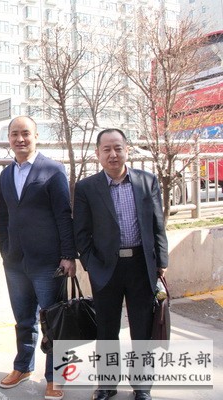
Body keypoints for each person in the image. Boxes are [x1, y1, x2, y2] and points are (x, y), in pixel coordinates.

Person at [73, 128, 168, 400]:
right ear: (98, 154)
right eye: (107, 149)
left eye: (118, 148)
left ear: (127, 149)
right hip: (105, 268)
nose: (113, 154)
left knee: (142, 330)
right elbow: (81, 232)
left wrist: (161, 260)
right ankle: (106, 385)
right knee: (106, 330)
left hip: (141, 266)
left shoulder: (147, 181)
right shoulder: (87, 188)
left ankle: (142, 387)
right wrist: (91, 264)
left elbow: (157, 225)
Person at [0, 116, 76, 400]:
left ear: (36, 136)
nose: (20, 139)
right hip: (15, 262)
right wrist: (5, 249)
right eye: (14, 134)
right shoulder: (6, 174)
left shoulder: (52, 170)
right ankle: (23, 367)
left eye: (25, 133)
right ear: (9, 138)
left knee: (53, 321)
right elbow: (3, 216)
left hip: (47, 262)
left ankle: (56, 376)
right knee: (23, 319)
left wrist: (68, 255)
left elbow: (64, 214)